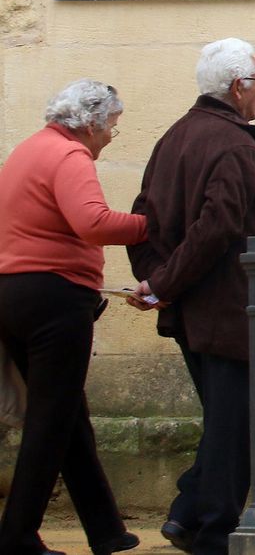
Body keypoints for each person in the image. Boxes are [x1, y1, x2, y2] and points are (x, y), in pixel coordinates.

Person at [128, 39, 255, 555]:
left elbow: (143, 218)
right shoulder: (236, 143)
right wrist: (162, 285)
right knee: (238, 425)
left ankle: (189, 514)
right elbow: (218, 227)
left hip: (192, 307)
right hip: (228, 306)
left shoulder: (175, 136)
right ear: (238, 88)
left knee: (226, 420)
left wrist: (157, 281)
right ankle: (211, 530)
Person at [0, 80, 146, 555]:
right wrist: (153, 225)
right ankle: (17, 536)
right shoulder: (69, 155)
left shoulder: (30, 149)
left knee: (67, 415)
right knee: (50, 420)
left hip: (14, 293)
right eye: (111, 127)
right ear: (90, 123)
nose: (109, 138)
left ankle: (105, 529)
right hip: (55, 299)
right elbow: (93, 223)